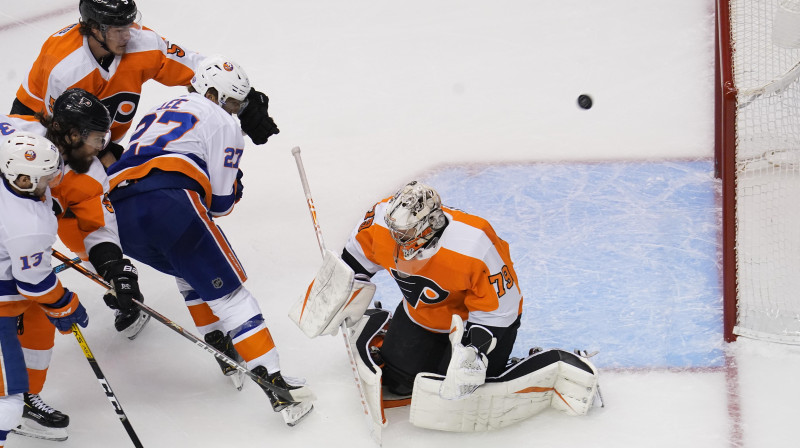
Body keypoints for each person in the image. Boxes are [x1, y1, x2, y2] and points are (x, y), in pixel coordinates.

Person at [105, 56, 314, 426]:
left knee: (189, 271)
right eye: (233, 102)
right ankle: (277, 386)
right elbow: (219, 203)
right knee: (232, 296)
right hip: (169, 201)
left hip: (122, 214)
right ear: (213, 92)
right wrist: (236, 181)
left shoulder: (163, 107)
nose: (237, 110)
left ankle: (223, 349)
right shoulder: (222, 120)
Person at [0, 89, 146, 441]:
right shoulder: (17, 134)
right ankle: (9, 400)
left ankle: (23, 399)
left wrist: (114, 268)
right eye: (96, 138)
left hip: (21, 252)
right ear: (71, 134)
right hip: (21, 248)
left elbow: (98, 227)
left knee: (39, 321)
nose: (101, 147)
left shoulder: (88, 173)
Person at [11, 0, 279, 168]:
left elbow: (200, 70)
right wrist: (106, 154)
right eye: (118, 29)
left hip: (96, 132)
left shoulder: (143, 43)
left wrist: (244, 101)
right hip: (38, 125)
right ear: (93, 28)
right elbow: (60, 131)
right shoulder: (65, 67)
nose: (128, 35)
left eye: (129, 25)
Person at [339, 180, 524, 396]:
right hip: (421, 315)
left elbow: (500, 309)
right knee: (398, 383)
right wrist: (340, 290)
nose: (394, 240)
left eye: (404, 233)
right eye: (393, 231)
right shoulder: (381, 223)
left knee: (459, 392)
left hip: (473, 324)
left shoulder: (474, 244)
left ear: (433, 223)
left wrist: (474, 351)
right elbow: (354, 262)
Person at [0, 132, 89, 446]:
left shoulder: (14, 180)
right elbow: (34, 284)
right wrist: (65, 303)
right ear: (22, 179)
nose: (51, 184)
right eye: (44, 179)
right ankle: (15, 404)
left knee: (39, 327)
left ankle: (28, 398)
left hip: (11, 277)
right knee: (3, 402)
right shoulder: (23, 224)